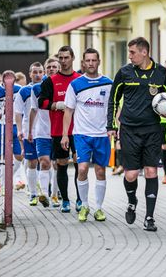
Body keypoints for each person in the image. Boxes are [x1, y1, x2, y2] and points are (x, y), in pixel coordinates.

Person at [107, 37, 166, 232]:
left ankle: (149, 217)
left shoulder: (160, 72)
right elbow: (113, 100)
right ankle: (132, 199)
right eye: (129, 52)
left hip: (152, 129)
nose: (129, 56)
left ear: (145, 52)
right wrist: (111, 126)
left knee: (151, 171)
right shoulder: (124, 72)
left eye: (133, 52)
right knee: (131, 174)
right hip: (129, 130)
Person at [61, 48, 112, 222]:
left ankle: (98, 208)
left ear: (99, 62)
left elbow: (114, 108)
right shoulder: (75, 84)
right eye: (87, 60)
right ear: (83, 63)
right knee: (82, 169)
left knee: (100, 171)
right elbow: (68, 111)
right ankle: (84, 205)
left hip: (102, 134)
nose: (90, 63)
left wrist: (115, 128)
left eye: (93, 60)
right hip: (81, 134)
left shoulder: (108, 83)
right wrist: (64, 135)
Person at [38, 46, 81, 213]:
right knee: (62, 164)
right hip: (58, 130)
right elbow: (41, 102)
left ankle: (80, 200)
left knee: (80, 165)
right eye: (61, 58)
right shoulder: (50, 80)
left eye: (66, 58)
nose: (63, 61)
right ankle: (65, 201)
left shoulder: (79, 79)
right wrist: (56, 105)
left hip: (78, 130)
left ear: (72, 58)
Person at [15, 62, 48, 207]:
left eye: (40, 72)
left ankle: (49, 193)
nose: (38, 74)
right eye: (35, 72)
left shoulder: (48, 87)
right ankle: (33, 193)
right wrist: (19, 130)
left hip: (46, 131)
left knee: (48, 162)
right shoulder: (24, 91)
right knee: (32, 162)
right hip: (30, 132)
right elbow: (18, 112)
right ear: (30, 74)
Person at [0, 70, 24, 193]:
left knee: (19, 155)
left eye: (11, 78)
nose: (9, 80)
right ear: (3, 79)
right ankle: (2, 184)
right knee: (1, 156)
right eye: (6, 78)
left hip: (16, 125)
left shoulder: (19, 89)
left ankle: (9, 178)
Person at [29, 57, 61, 207]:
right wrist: (30, 131)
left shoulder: (64, 86)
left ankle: (55, 194)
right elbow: (33, 110)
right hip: (42, 132)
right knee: (45, 162)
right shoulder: (36, 88)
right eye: (49, 67)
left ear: (59, 68)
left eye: (54, 67)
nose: (51, 69)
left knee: (57, 164)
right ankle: (43, 193)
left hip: (58, 131)